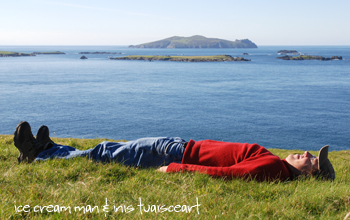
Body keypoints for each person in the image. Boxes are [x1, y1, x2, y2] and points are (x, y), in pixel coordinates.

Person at [13, 121, 335, 182]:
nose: (306, 152)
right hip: (180, 147)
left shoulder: (273, 170)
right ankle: (50, 149)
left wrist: (175, 170)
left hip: (175, 157)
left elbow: (225, 173)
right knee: (111, 150)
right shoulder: (276, 163)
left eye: (311, 159)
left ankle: (37, 154)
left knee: (107, 155)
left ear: (309, 173)